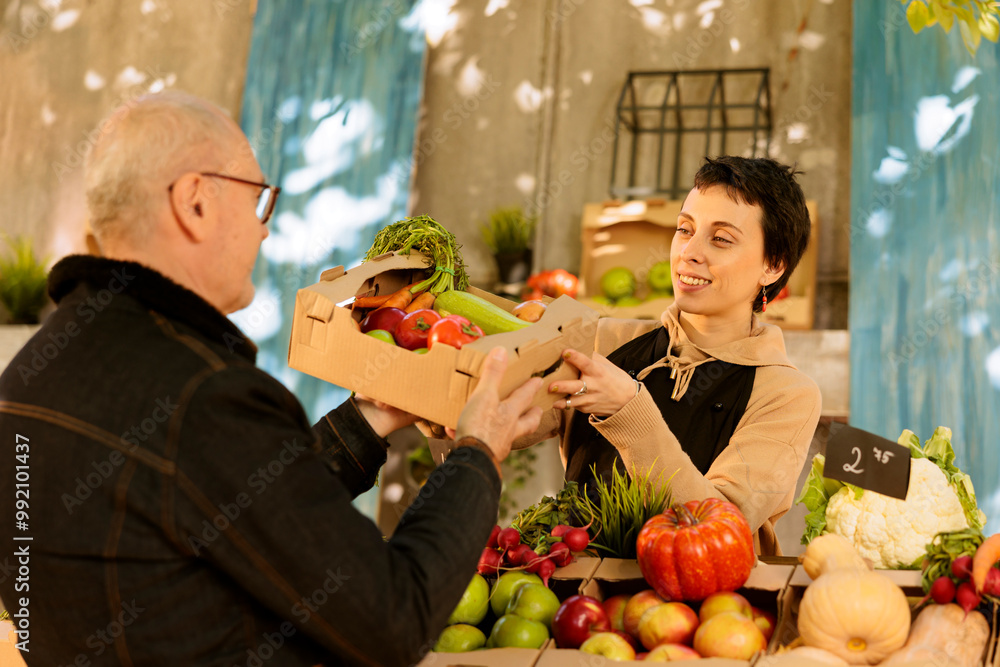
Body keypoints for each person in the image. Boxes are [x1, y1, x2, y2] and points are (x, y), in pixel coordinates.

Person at [0, 91, 543, 666]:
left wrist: (368, 420)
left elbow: (234, 509)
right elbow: (394, 617)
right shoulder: (204, 393)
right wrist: (478, 453)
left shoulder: (27, 379)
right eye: (260, 201)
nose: (264, 232)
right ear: (196, 203)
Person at [522, 156, 822, 556]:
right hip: (578, 592)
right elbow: (516, 416)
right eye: (685, 229)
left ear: (773, 265)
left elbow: (718, 528)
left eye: (721, 239)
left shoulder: (786, 394)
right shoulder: (606, 340)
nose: (689, 253)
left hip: (705, 608)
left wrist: (630, 412)